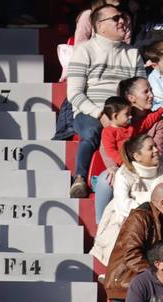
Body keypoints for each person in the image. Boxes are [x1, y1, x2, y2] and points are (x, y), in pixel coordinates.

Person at [63, 2, 142, 197]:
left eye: (122, 17)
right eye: (115, 18)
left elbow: (140, 90)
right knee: (91, 131)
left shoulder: (133, 53)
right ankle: (80, 179)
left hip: (125, 113)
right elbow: (74, 93)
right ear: (100, 26)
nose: (122, 21)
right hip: (90, 111)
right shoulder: (84, 51)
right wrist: (100, 114)